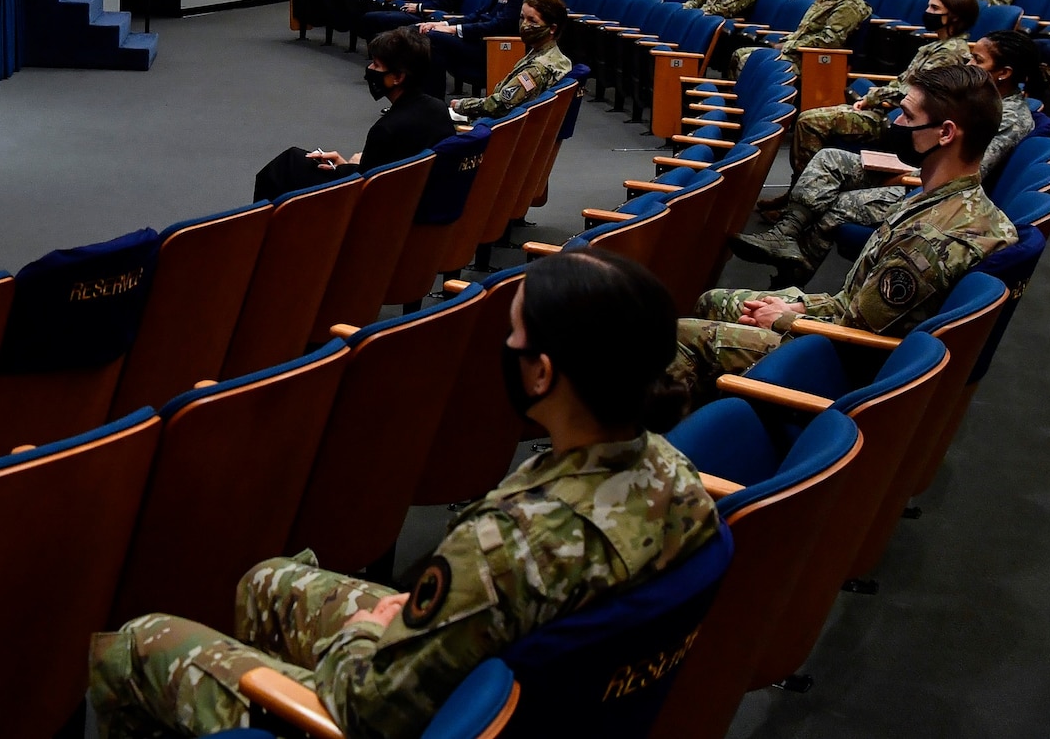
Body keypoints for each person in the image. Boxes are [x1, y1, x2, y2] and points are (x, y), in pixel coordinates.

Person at [89, 250, 718, 739]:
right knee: (266, 584)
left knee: (137, 644)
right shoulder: (676, 475)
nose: (506, 348)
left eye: (514, 336)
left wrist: (366, 630)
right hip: (518, 680)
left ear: (542, 372)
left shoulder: (505, 546)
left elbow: (364, 711)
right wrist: (414, 616)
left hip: (396, 713)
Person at [668, 65, 1016, 409]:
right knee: (713, 301)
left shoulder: (931, 237)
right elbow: (856, 302)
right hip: (846, 324)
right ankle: (724, 409)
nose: (895, 122)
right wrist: (797, 305)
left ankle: (680, 447)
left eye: (907, 116)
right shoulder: (954, 203)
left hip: (845, 361)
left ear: (945, 133)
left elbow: (859, 334)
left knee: (676, 337)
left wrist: (785, 318)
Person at [739, 30, 1046, 285]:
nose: (967, 62)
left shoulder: (1008, 116)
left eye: (977, 59)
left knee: (838, 205)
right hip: (919, 166)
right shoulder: (976, 97)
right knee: (831, 158)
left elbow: (969, 166)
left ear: (1004, 73)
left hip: (931, 188)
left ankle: (788, 284)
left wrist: (901, 176)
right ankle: (787, 232)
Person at [788, 0, 977, 174]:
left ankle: (803, 184)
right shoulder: (937, 46)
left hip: (897, 120)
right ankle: (806, 182)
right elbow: (903, 82)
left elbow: (916, 93)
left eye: (935, 8)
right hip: (889, 111)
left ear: (954, 16)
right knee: (811, 116)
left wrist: (873, 98)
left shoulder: (949, 53)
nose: (927, 11)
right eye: (929, 6)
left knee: (809, 121)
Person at [254, 28, 453, 201]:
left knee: (285, 166)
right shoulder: (438, 108)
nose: (370, 69)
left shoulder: (386, 129)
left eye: (376, 64)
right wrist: (346, 165)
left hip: (379, 213)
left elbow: (366, 188)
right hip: (410, 198)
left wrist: (346, 169)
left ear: (398, 77)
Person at [729, 0, 873, 78]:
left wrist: (788, 46)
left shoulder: (851, 4)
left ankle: (752, 104)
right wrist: (786, 43)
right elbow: (805, 30)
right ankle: (734, 100)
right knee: (739, 53)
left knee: (748, 60)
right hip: (797, 52)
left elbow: (830, 40)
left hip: (813, 59)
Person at [419, 0, 536, 94]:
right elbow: (478, 14)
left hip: (492, 45)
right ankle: (417, 97)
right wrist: (444, 23)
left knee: (433, 38)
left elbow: (500, 25)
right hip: (478, 39)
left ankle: (433, 102)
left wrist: (453, 29)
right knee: (420, 31)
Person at [450, 0, 574, 122]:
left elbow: (500, 104)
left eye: (532, 20)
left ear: (552, 28)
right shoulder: (557, 57)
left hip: (508, 128)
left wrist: (462, 105)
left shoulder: (537, 69)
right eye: (522, 18)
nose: (524, 25)